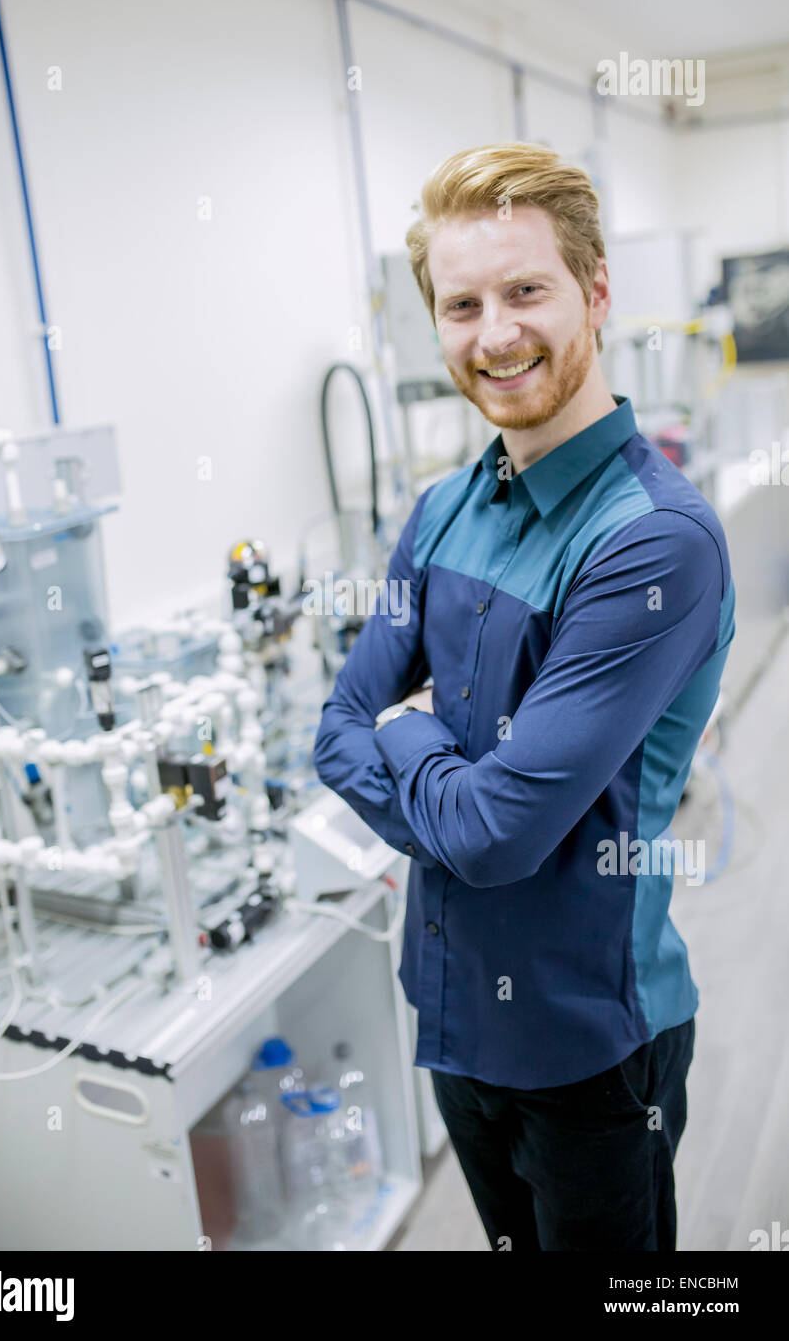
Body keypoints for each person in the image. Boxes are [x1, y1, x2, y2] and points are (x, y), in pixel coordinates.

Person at [312, 142, 736, 1252]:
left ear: (594, 291)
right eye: (461, 304)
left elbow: (496, 834)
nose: (493, 332)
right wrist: (415, 753)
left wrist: (402, 739)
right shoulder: (440, 508)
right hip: (452, 1018)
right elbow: (331, 729)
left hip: (589, 1049)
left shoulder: (650, 541)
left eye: (524, 290)